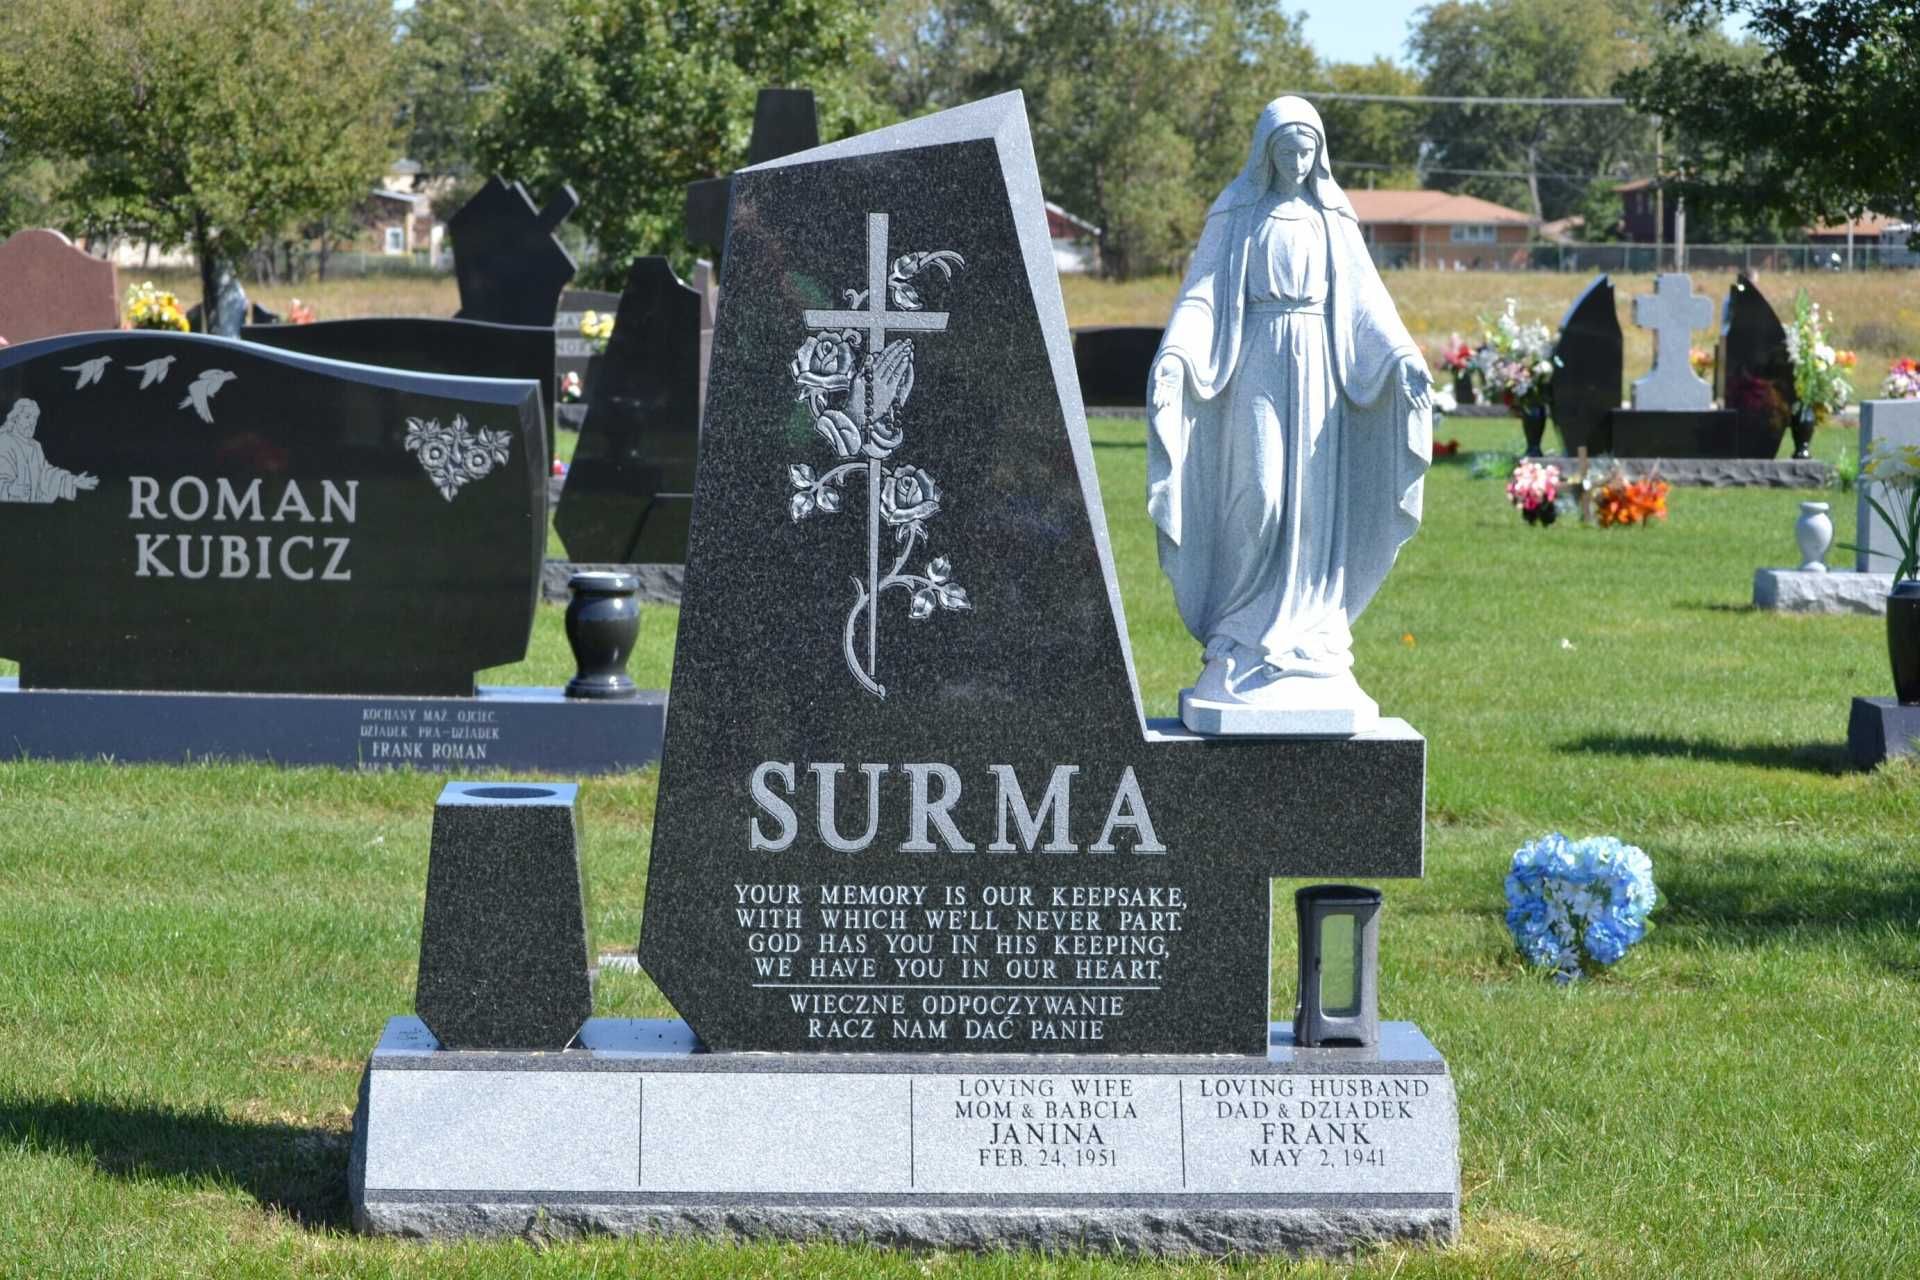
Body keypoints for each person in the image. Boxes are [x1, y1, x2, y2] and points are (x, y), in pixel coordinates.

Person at [1148, 96, 1431, 733]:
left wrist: (1403, 357)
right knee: (1262, 496)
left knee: (1310, 511)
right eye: (1287, 150)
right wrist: (1176, 354)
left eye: (1308, 151)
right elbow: (1202, 294)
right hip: (1258, 364)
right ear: (1266, 152)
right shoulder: (1240, 212)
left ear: (1319, 153)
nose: (1299, 161)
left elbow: (1366, 306)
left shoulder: (1333, 217)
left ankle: (1310, 637)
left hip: (1321, 373)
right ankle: (1239, 633)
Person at [0, 398, 98, 504]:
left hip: (32, 508)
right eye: (27, 417)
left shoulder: (35, 446)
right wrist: (12, 489)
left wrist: (73, 481)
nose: (32, 422)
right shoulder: (5, 441)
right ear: (15, 418)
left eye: (34, 418)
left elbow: (46, 474)